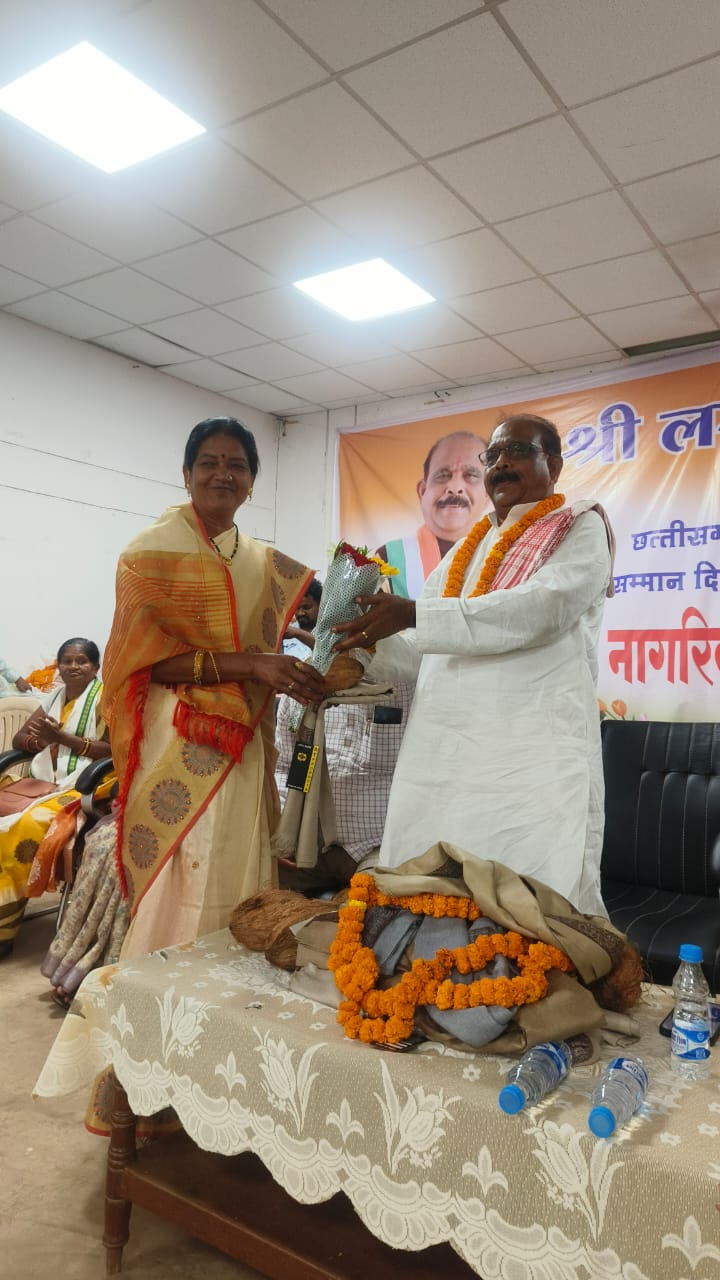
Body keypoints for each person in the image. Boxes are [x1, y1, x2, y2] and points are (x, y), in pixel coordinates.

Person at [333, 414, 614, 917]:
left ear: (553, 465)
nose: (501, 464)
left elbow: (542, 609)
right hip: (444, 759)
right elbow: (427, 645)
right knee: (427, 898)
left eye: (518, 451)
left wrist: (414, 614)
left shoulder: (579, 526)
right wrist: (362, 646)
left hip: (528, 761)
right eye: (494, 455)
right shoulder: (469, 545)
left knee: (530, 906)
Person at [101, 415, 326, 961]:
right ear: (186, 474)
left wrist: (292, 675)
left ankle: (229, 980)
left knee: (235, 851)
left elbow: (267, 658)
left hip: (242, 738)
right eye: (209, 463)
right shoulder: (146, 555)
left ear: (252, 481)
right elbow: (140, 666)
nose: (223, 474)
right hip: (176, 735)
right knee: (185, 860)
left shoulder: (264, 563)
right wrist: (251, 666)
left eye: (237, 465)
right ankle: (161, 977)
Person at [0, 638, 110, 956]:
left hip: (85, 786)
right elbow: (21, 737)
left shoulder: (107, 700)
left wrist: (64, 739)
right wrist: (41, 741)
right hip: (45, 781)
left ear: (95, 667)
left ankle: (3, 928)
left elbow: (115, 749)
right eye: (67, 661)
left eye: (82, 661)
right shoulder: (54, 698)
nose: (73, 666)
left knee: (24, 825)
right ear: (58, 666)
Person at [274, 680, 414, 893]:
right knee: (252, 881)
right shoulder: (300, 686)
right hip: (307, 845)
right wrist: (285, 835)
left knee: (375, 906)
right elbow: (284, 767)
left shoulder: (410, 684)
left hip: (376, 848)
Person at [376, 430, 488, 598]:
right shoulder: (389, 557)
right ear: (422, 491)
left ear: (487, 494)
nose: (455, 487)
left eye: (470, 475)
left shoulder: (505, 555)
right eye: (443, 475)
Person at [282, 577, 322, 660]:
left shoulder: (331, 631)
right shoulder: (285, 634)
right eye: (296, 608)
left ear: (320, 605)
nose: (300, 613)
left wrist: (298, 634)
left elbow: (326, 652)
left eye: (306, 607)